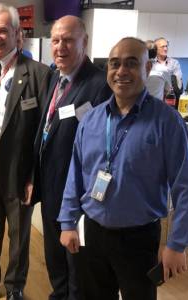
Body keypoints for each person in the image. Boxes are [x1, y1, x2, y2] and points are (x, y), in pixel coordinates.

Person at [59, 37, 188, 300]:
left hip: (139, 238)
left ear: (147, 69)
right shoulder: (92, 119)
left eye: (131, 63)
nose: (121, 71)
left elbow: (186, 186)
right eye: (114, 64)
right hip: (93, 233)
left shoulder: (167, 122)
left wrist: (177, 244)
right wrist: (67, 222)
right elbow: (75, 174)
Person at [0, 3, 50, 300]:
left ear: (17, 33)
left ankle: (15, 287)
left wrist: (33, 175)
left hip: (19, 168)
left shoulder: (39, 74)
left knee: (19, 235)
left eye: (3, 30)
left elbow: (43, 132)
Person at [31, 15, 112, 300]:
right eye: (55, 40)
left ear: (84, 42)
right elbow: (48, 128)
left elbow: (103, 148)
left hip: (78, 190)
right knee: (54, 254)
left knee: (77, 261)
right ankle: (59, 293)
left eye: (68, 40)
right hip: (51, 184)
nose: (60, 46)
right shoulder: (54, 77)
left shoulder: (100, 84)